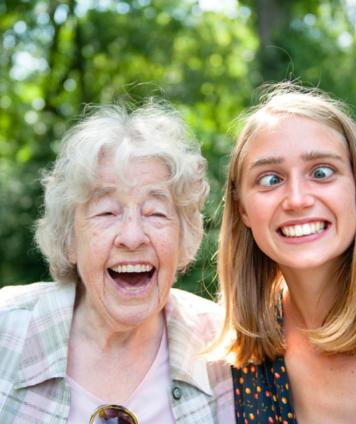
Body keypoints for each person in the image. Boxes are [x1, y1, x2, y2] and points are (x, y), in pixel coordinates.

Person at [0, 102, 234, 423]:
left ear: (184, 237)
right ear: (70, 238)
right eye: (107, 212)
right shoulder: (6, 329)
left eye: (155, 213)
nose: (132, 237)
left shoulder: (225, 347)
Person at [213, 82, 356, 423]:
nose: (297, 200)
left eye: (322, 172)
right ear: (243, 210)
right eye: (270, 179)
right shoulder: (237, 358)